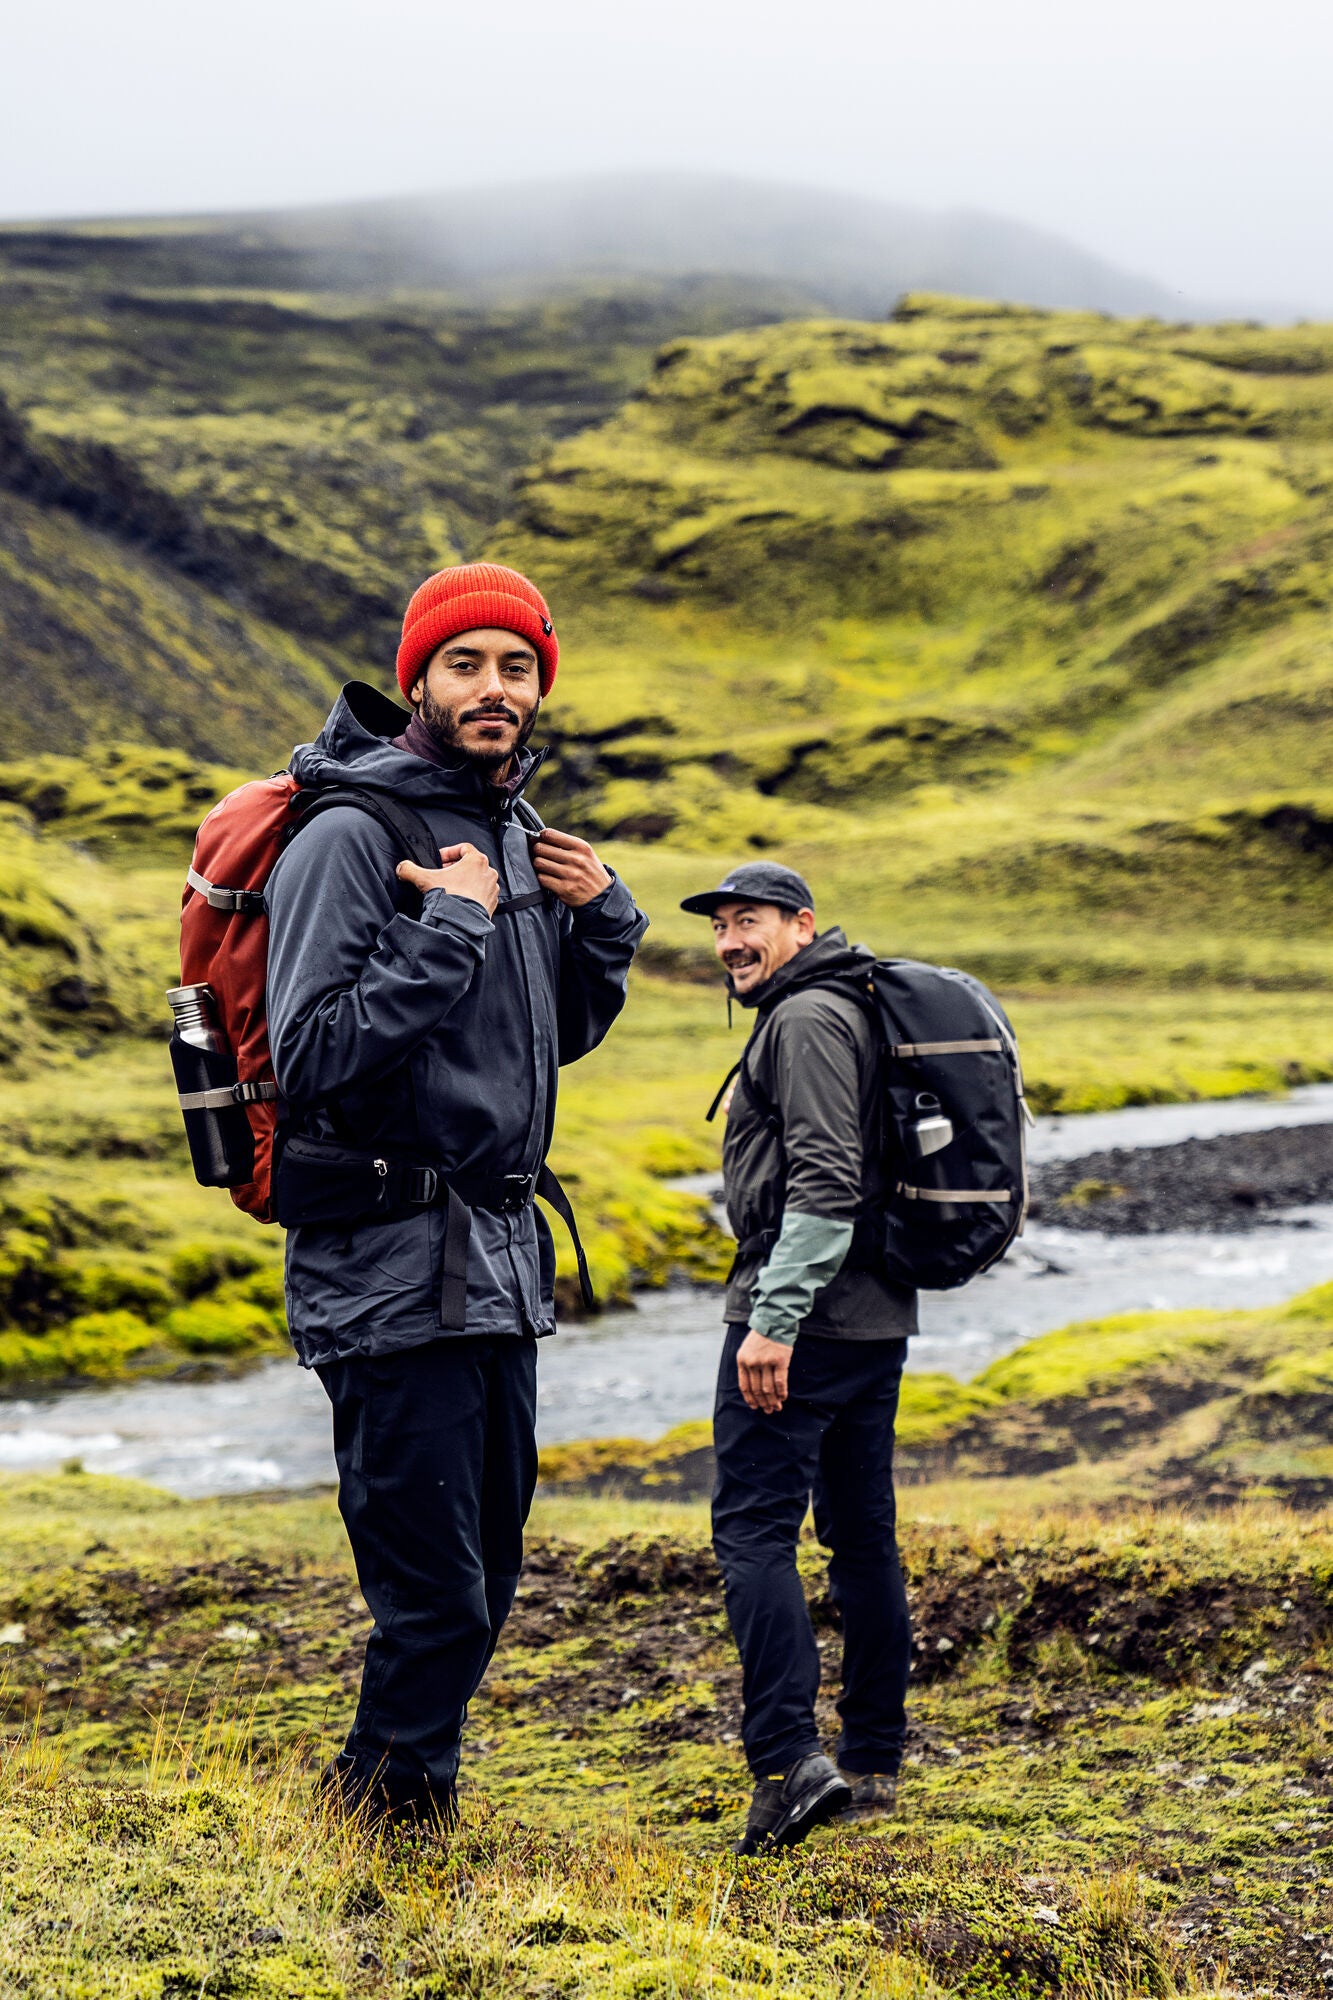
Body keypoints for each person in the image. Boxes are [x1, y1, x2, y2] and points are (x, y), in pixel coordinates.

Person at [266, 562, 646, 1830]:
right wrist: (446, 928)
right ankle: (384, 1820)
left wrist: (603, 927)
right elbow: (311, 1049)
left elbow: (535, 1044)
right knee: (435, 1590)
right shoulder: (349, 834)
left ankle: (390, 1803)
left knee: (485, 1569)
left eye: (518, 667)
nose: (495, 689)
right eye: (467, 664)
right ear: (418, 676)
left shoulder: (507, 835)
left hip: (491, 1260)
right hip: (384, 1259)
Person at [680, 861, 916, 1854]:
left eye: (751, 922)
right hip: (869, 1318)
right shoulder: (832, 1003)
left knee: (752, 1533)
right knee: (860, 1534)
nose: (732, 940)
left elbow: (825, 1177)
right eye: (722, 925)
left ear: (801, 925)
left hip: (802, 1322)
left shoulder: (808, 1017)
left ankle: (787, 1765)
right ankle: (871, 1755)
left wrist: (773, 1317)